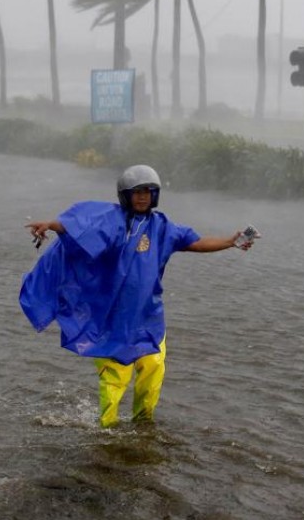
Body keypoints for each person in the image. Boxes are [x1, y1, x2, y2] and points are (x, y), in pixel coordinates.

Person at [19, 164, 254, 428]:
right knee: (115, 378)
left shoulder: (163, 227)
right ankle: (106, 432)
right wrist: (52, 225)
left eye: (148, 192)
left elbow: (195, 242)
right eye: (137, 192)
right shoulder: (111, 221)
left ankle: (143, 425)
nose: (143, 197)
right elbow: (81, 227)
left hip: (149, 317)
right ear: (125, 195)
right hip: (112, 321)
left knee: (153, 370)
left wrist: (229, 242)